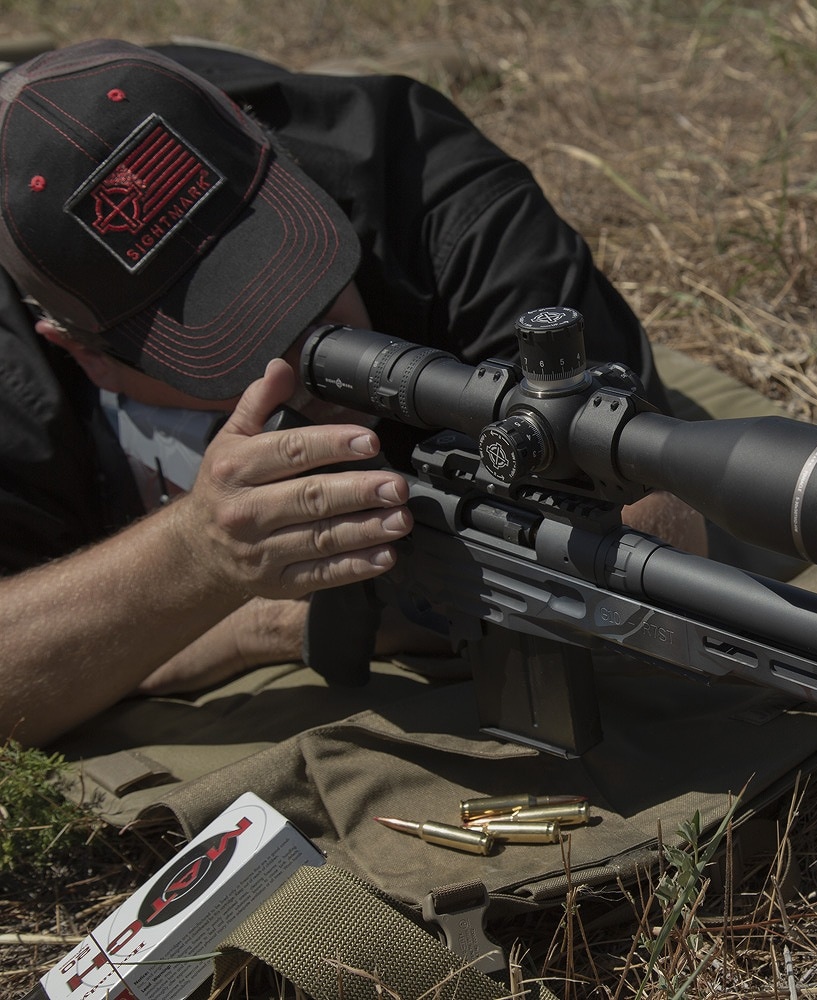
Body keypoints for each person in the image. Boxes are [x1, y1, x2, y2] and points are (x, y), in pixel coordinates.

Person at [0, 39, 705, 748]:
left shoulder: (424, 180)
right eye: (232, 345)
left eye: (296, 273)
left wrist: (288, 618)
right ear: (86, 356)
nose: (306, 346)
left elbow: (657, 521)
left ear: (277, 159)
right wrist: (197, 556)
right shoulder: (15, 369)